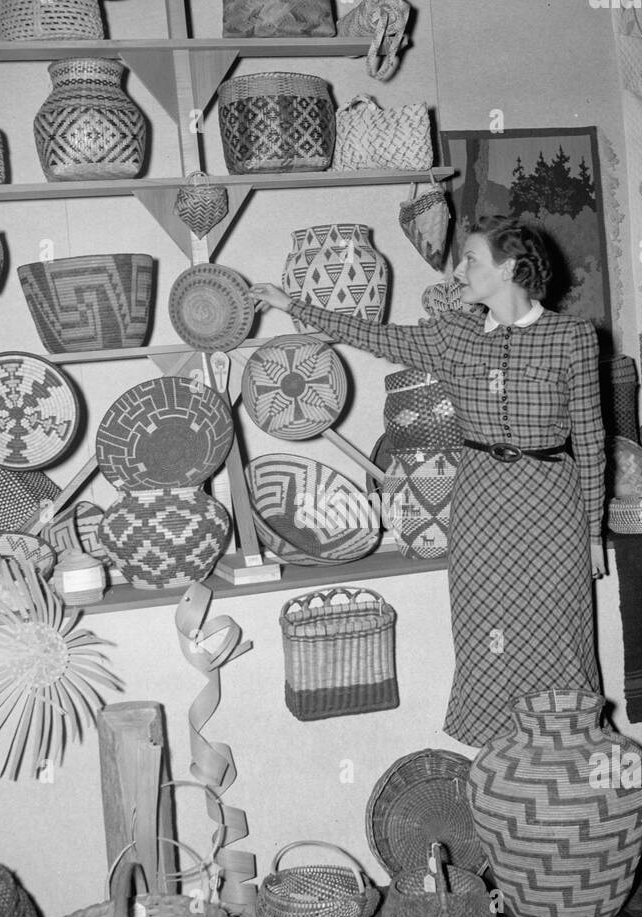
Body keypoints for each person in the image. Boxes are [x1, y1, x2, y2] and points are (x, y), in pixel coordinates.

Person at [252, 216, 606, 748]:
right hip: (481, 499)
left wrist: (594, 531)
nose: (459, 270)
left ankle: (567, 748)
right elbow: (374, 335)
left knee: (558, 629)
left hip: (552, 502)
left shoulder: (573, 338)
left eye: (472, 260)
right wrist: (290, 304)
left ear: (508, 269)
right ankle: (498, 756)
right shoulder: (453, 335)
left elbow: (593, 440)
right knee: (487, 629)